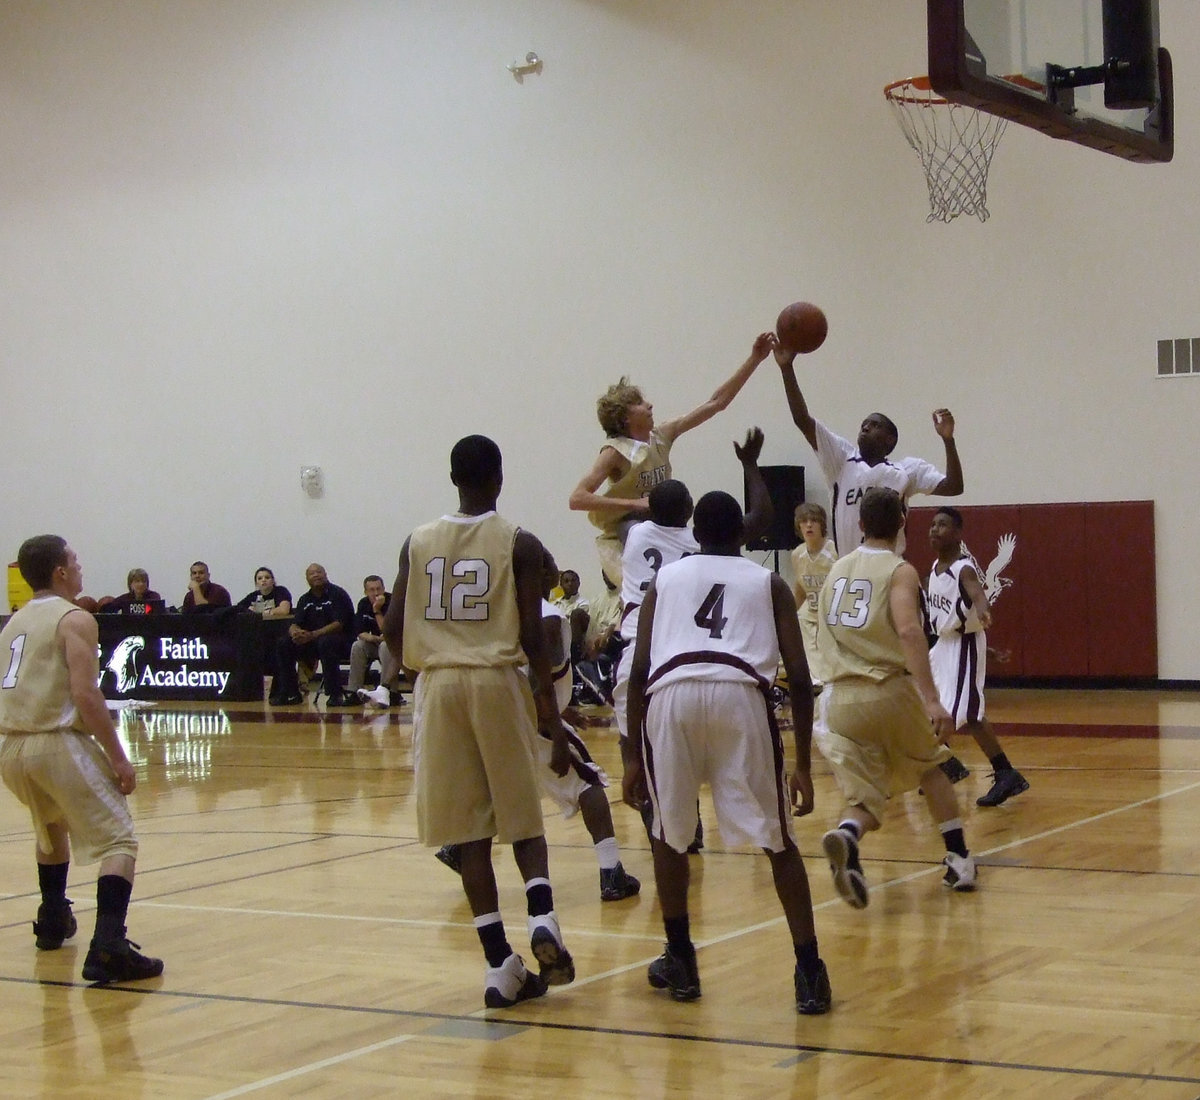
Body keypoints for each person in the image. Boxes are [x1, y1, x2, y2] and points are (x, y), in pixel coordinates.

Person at [382, 434, 575, 1009]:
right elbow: (535, 634)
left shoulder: (417, 541)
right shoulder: (518, 540)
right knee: (521, 815)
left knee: (468, 834)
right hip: (495, 679)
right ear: (499, 477)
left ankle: (498, 966)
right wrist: (551, 716)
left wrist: (424, 666)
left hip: (439, 684)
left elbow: (391, 628)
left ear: (452, 478)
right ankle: (542, 917)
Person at [623, 489, 830, 1014]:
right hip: (740, 695)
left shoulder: (665, 579)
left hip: (670, 696)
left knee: (669, 834)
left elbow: (639, 668)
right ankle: (809, 970)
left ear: (695, 534)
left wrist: (629, 758)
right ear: (743, 534)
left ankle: (681, 959)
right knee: (779, 839)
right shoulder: (769, 581)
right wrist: (803, 765)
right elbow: (799, 677)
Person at [0, 535, 163, 983]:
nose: (80, 567)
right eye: (75, 560)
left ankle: (53, 918)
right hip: (55, 741)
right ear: (60, 571)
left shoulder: (12, 623)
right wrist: (119, 758)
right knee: (119, 841)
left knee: (50, 825)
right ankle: (109, 946)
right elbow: (86, 695)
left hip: (11, 747)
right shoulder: (74, 618)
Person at [436, 548, 640, 903]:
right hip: (531, 718)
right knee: (588, 782)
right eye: (553, 568)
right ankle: (611, 873)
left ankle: (457, 848)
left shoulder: (499, 613)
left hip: (492, 714)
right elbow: (537, 682)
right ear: (545, 575)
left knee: (497, 783)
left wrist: (560, 709)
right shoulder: (547, 618)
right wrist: (554, 725)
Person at [815, 487, 977, 911]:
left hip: (839, 698)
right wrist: (932, 699)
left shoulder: (837, 568)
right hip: (887, 688)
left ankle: (848, 834)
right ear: (903, 522)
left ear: (861, 524)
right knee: (931, 767)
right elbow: (907, 630)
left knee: (865, 795)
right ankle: (959, 860)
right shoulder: (900, 570)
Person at [569, 332, 775, 587]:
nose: (649, 405)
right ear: (624, 417)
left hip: (666, 523)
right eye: (639, 403)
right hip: (628, 530)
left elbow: (716, 402)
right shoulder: (614, 452)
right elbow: (577, 498)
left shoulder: (662, 435)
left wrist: (755, 359)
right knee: (639, 534)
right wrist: (634, 503)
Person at [775, 349, 963, 556]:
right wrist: (786, 368)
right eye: (864, 424)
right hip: (849, 567)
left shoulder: (906, 470)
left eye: (875, 425)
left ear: (890, 439)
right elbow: (802, 420)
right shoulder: (841, 460)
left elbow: (954, 486)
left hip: (888, 567)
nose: (865, 427)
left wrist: (948, 440)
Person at [927, 507, 1030, 807]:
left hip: (964, 645)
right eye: (933, 524)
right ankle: (948, 764)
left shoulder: (964, 568)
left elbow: (976, 593)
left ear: (958, 533)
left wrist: (984, 610)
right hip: (944, 645)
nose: (934, 529)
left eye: (942, 525)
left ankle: (1004, 773)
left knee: (967, 714)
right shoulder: (935, 567)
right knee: (928, 705)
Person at [269, 564, 355, 706]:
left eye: (318, 572)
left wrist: (314, 634)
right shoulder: (305, 599)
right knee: (284, 643)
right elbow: (295, 623)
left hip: (341, 642)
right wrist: (295, 632)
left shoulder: (338, 594)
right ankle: (291, 693)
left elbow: (339, 624)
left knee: (326, 642)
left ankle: (334, 694)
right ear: (307, 579)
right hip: (313, 641)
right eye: (311, 573)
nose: (315, 575)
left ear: (325, 574)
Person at [789, 503, 838, 688]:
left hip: (832, 615)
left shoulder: (834, 551)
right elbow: (801, 590)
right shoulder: (797, 554)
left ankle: (826, 680)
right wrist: (787, 616)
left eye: (814, 521)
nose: (809, 525)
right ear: (798, 526)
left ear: (822, 524)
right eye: (804, 521)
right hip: (811, 614)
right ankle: (815, 682)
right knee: (800, 620)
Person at [346, 575, 403, 705]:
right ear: (365, 592)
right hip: (376, 642)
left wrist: (377, 610)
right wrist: (374, 638)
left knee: (385, 646)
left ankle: (388, 691)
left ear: (384, 589)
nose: (376, 593)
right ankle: (354, 691)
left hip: (393, 646)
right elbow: (361, 633)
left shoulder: (393, 602)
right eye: (372, 590)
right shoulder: (363, 603)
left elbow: (387, 632)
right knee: (358, 646)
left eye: (378, 589)